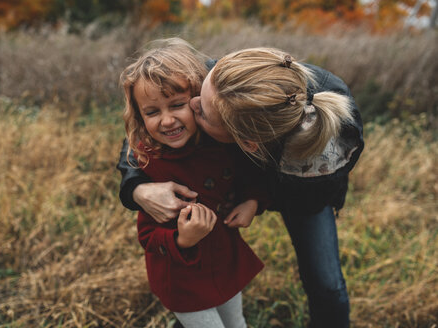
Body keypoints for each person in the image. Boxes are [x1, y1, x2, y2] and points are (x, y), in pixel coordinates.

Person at [118, 44, 364, 328]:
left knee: (326, 282)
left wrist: (256, 200)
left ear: (243, 144)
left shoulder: (322, 163)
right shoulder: (220, 80)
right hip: (189, 278)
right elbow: (139, 133)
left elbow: (298, 200)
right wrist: (136, 188)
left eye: (202, 113)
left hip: (298, 194)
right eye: (197, 95)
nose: (193, 104)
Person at [120, 38, 265, 328]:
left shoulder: (220, 142)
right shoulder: (151, 162)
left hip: (223, 260)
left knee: (237, 323)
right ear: (139, 115)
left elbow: (251, 174)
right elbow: (147, 236)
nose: (167, 120)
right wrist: (183, 239)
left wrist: (252, 200)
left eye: (177, 105)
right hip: (183, 276)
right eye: (152, 112)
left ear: (199, 102)